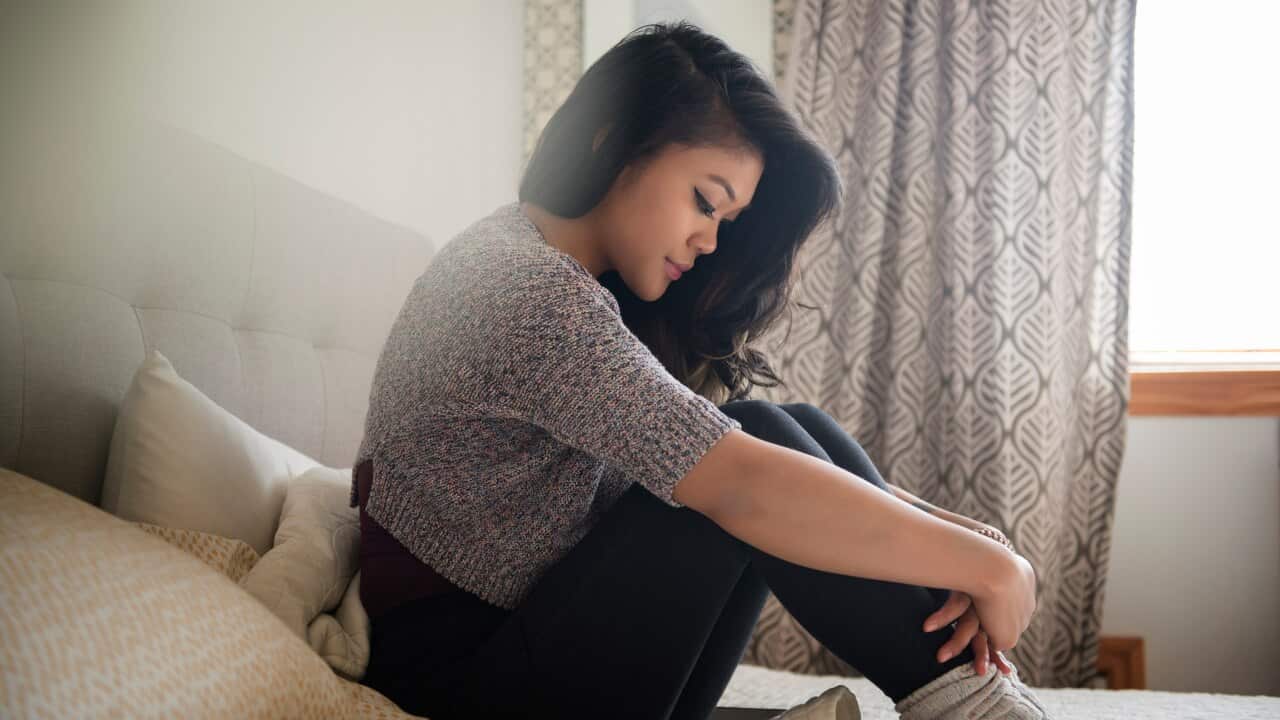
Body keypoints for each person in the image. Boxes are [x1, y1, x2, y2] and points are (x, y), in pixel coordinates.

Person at [350, 20, 1049, 720]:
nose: (710, 241)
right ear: (612, 140)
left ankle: (971, 697)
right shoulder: (525, 292)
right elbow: (743, 481)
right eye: (705, 202)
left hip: (522, 652)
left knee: (782, 429)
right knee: (742, 457)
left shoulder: (552, 277)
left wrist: (957, 538)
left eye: (725, 220)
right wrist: (988, 568)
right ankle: (973, 705)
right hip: (464, 689)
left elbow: (750, 451)